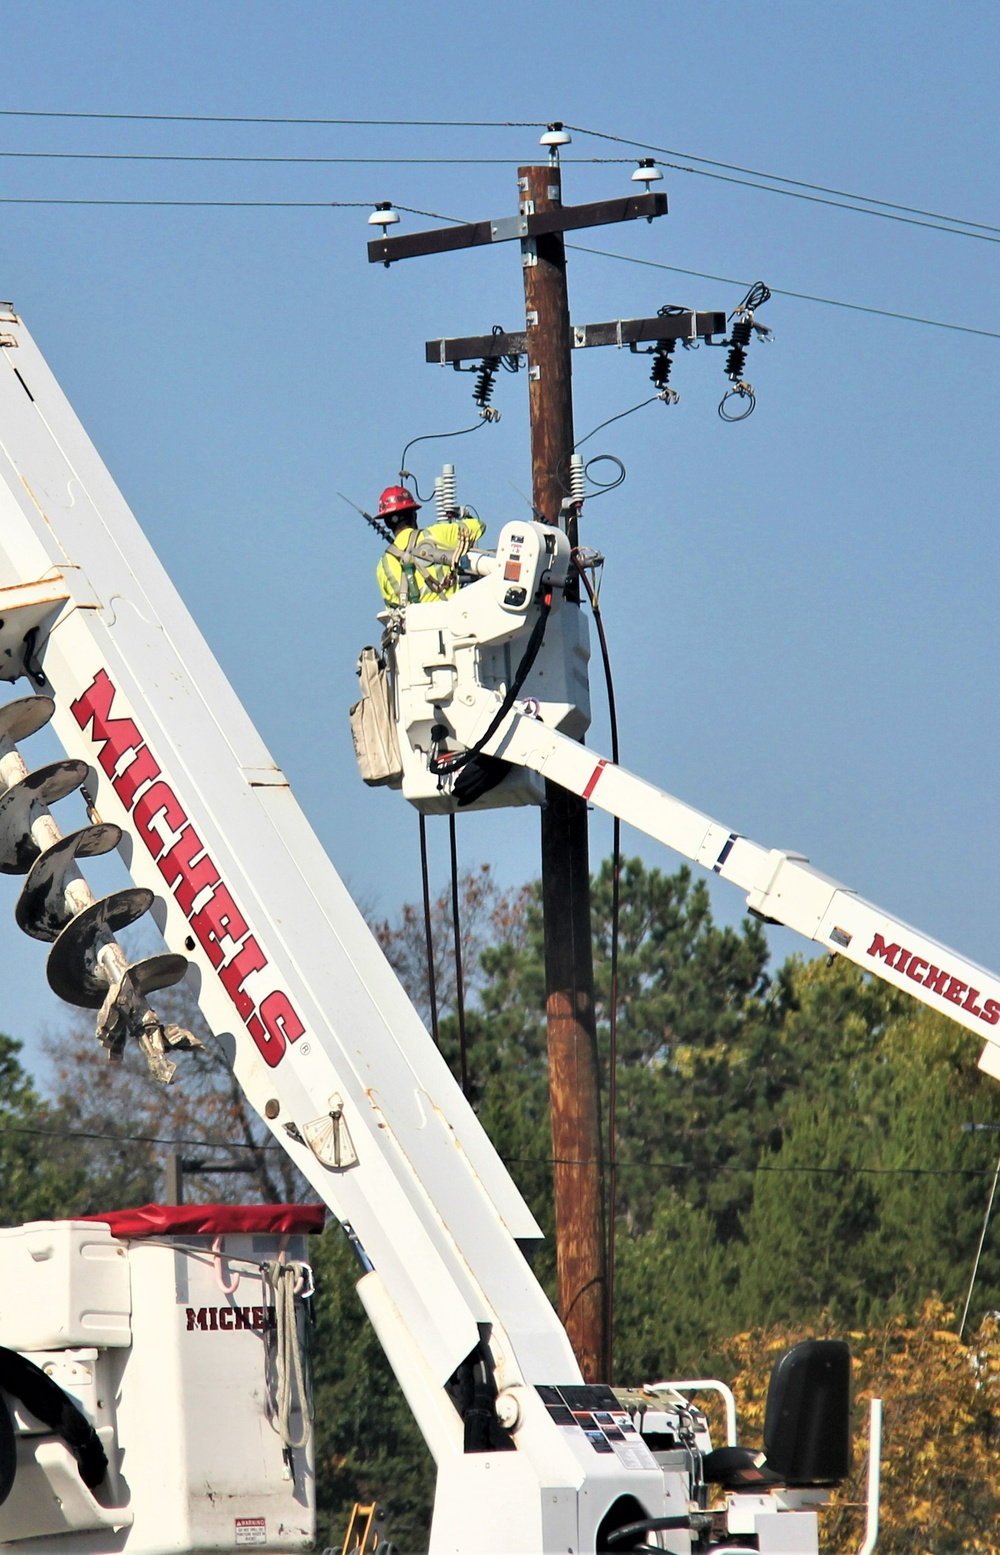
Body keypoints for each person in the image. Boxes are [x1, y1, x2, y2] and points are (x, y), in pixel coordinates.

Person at [375, 486, 485, 607]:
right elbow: (478, 526)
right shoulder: (436, 535)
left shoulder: (382, 566)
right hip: (449, 619)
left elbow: (391, 609)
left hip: (414, 625)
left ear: (386, 523)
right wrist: (462, 514)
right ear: (414, 515)